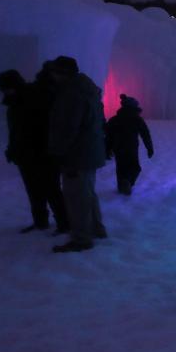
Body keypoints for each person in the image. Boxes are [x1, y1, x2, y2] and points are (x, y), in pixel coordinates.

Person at [0, 69, 69, 234]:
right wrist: (12, 148)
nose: (4, 91)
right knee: (34, 190)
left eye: (6, 87)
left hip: (43, 154)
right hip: (25, 155)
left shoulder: (36, 98)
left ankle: (64, 223)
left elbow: (42, 128)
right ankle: (40, 221)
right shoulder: (13, 101)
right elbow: (15, 130)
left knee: (51, 189)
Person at [46, 56, 108, 252]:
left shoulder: (71, 94)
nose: (53, 76)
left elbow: (67, 128)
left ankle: (81, 239)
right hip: (91, 151)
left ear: (63, 73)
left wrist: (57, 152)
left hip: (77, 155)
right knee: (87, 193)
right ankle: (96, 229)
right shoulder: (88, 90)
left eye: (55, 72)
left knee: (76, 197)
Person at [104, 94, 154, 195]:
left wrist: (107, 149)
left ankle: (121, 187)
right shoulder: (137, 119)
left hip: (117, 148)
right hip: (131, 147)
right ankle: (128, 183)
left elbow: (108, 136)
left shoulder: (114, 120)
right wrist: (149, 148)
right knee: (135, 167)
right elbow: (145, 134)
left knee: (121, 168)